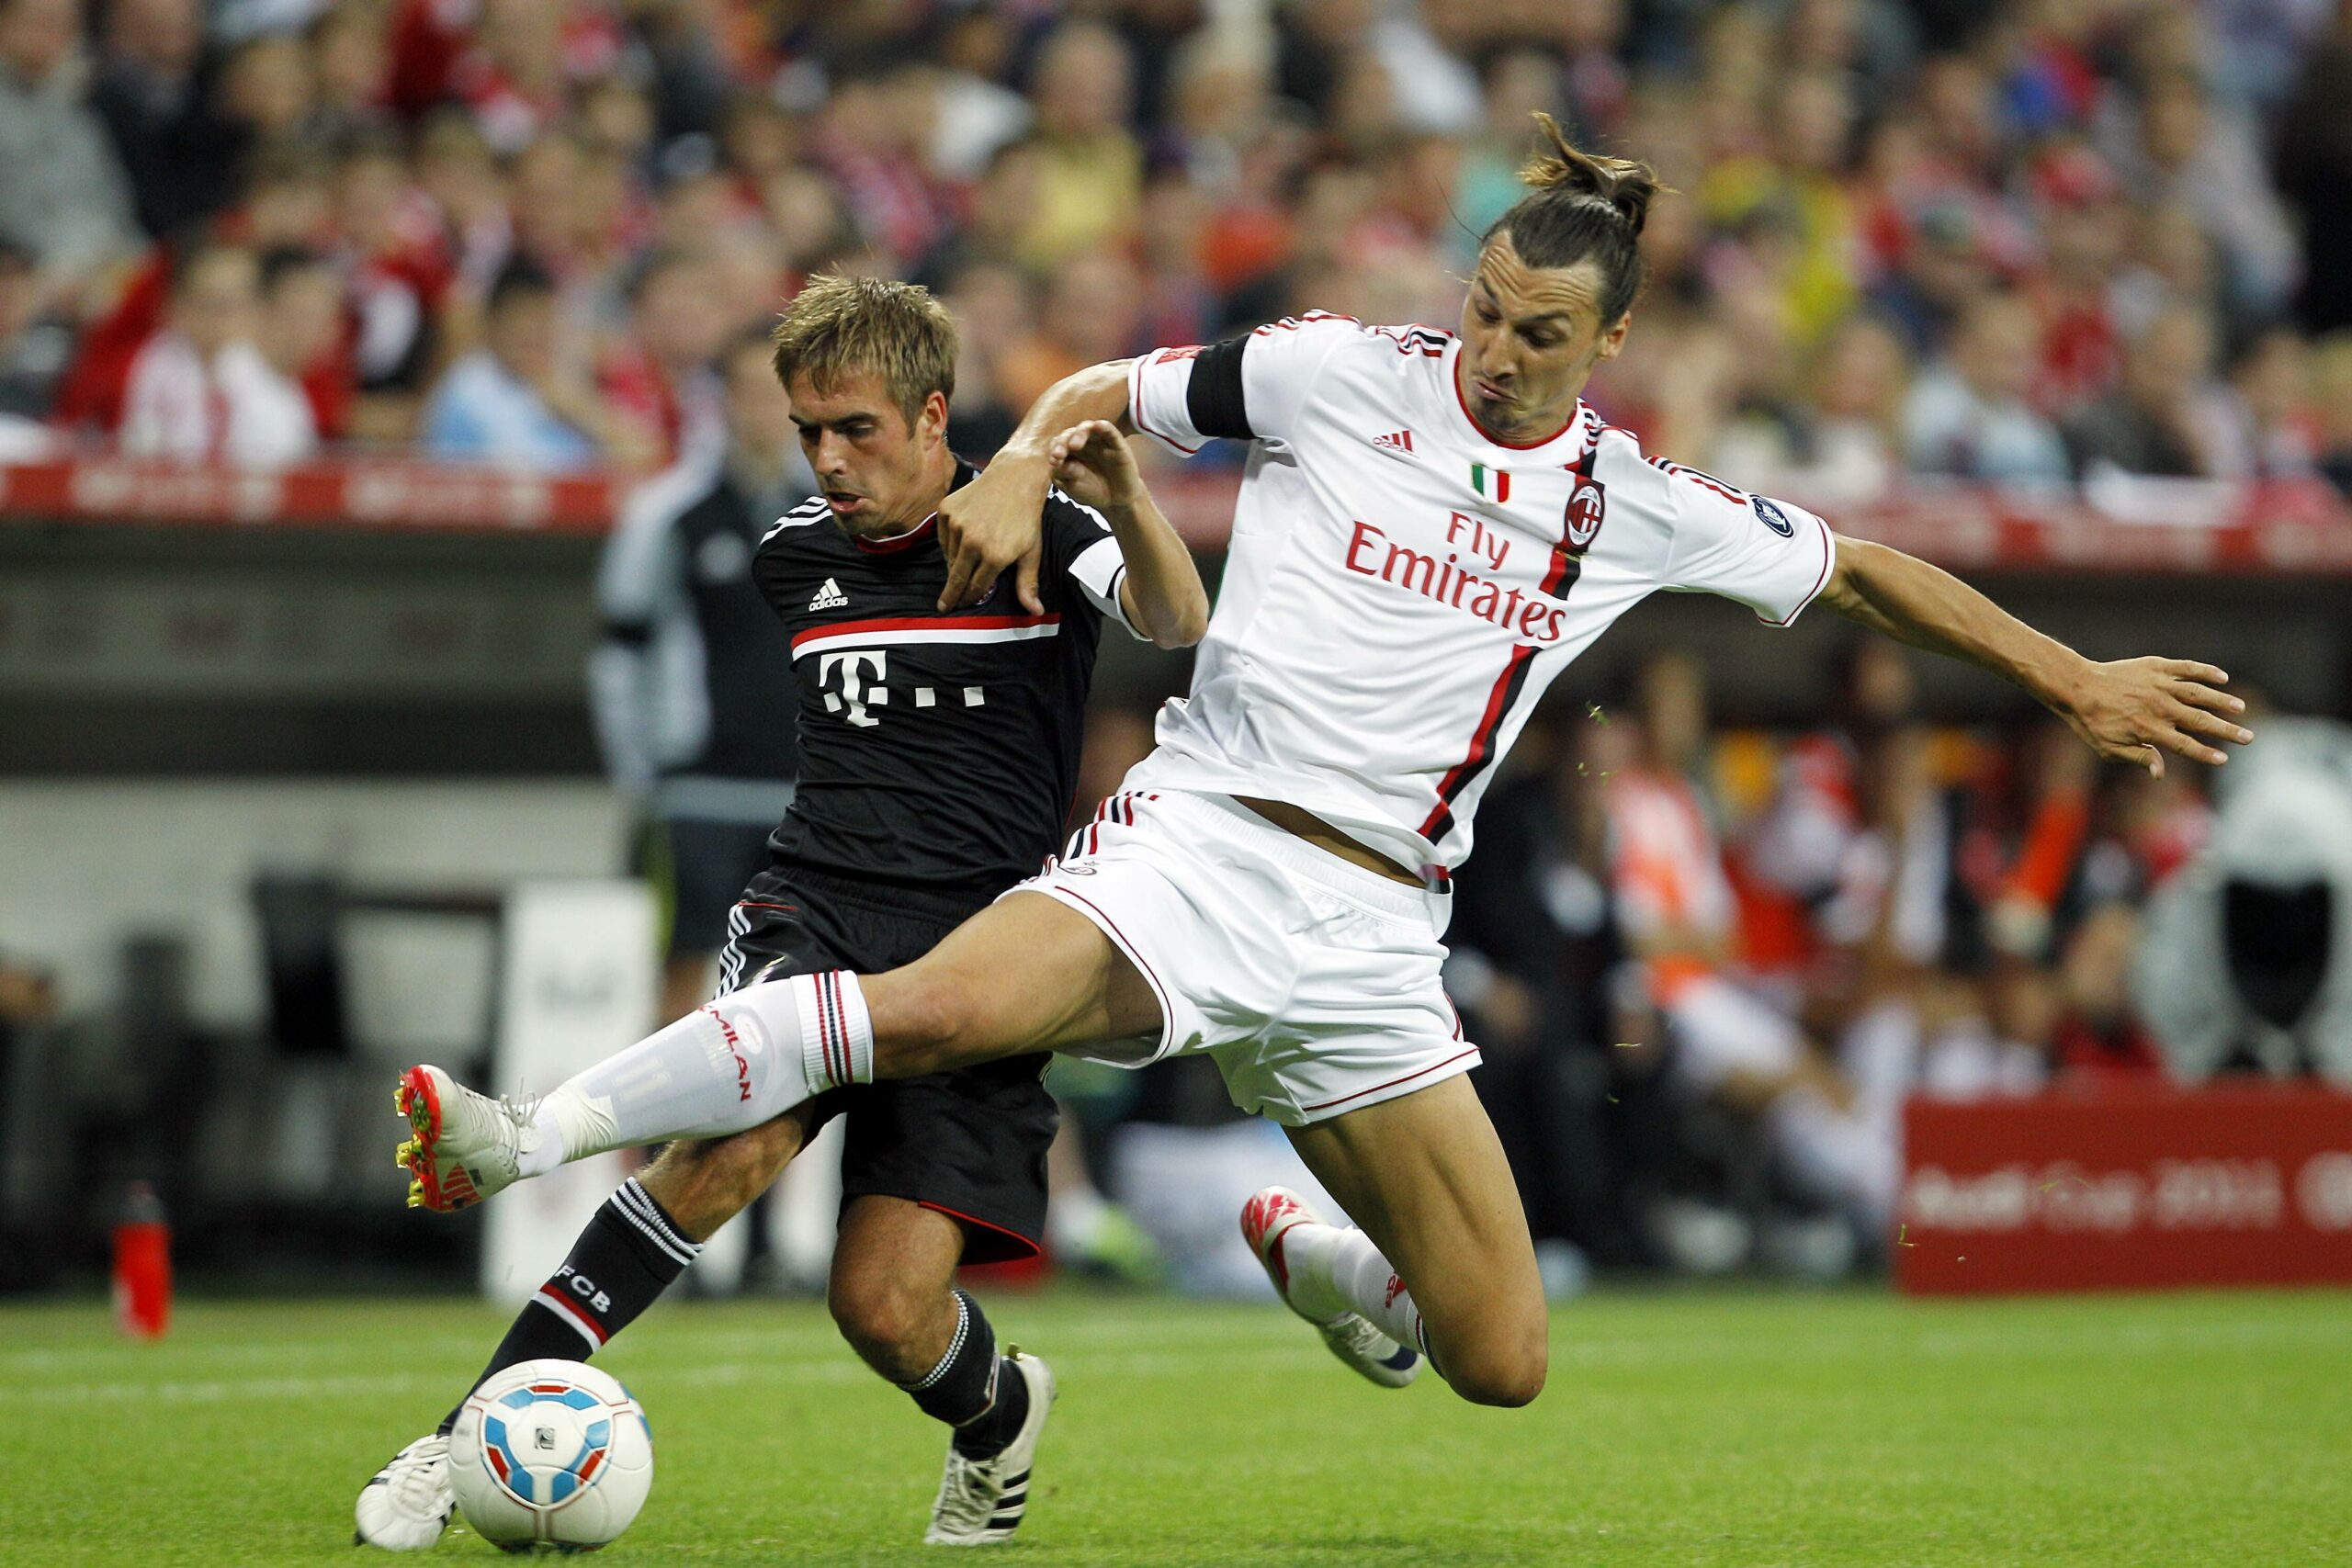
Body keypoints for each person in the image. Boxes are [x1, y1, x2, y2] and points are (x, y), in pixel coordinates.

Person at [397, 116, 2249, 1415]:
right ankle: (528, 1131)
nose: (1495, 354)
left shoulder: (1629, 503)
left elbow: (1854, 568)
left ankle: (1308, 1241)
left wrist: (2067, 672)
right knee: (914, 1006)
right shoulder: (1331, 370)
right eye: (1483, 308)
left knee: (1498, 1359)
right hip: (1198, 838)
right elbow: (1095, 392)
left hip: (1375, 938)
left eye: (1539, 335)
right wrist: (1027, 456)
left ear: (1607, 341)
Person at [357, 274, 1208, 1550]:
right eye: (809, 428)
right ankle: (453, 1425)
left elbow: (1179, 618)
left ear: (933, 416)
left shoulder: (1039, 529)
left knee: (880, 1305)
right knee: (728, 1149)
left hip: (989, 952)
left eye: (855, 426)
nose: (827, 458)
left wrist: (1123, 494)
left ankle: (997, 1414)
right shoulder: (792, 555)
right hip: (819, 904)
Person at [590, 326, 814, 1029]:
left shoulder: (841, 515)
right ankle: (653, 1140)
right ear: (719, 400)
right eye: (748, 392)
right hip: (697, 790)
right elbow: (619, 652)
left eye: (779, 396)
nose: (763, 411)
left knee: (794, 991)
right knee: (682, 973)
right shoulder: (667, 514)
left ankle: (777, 1143)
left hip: (805, 796)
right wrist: (642, 770)